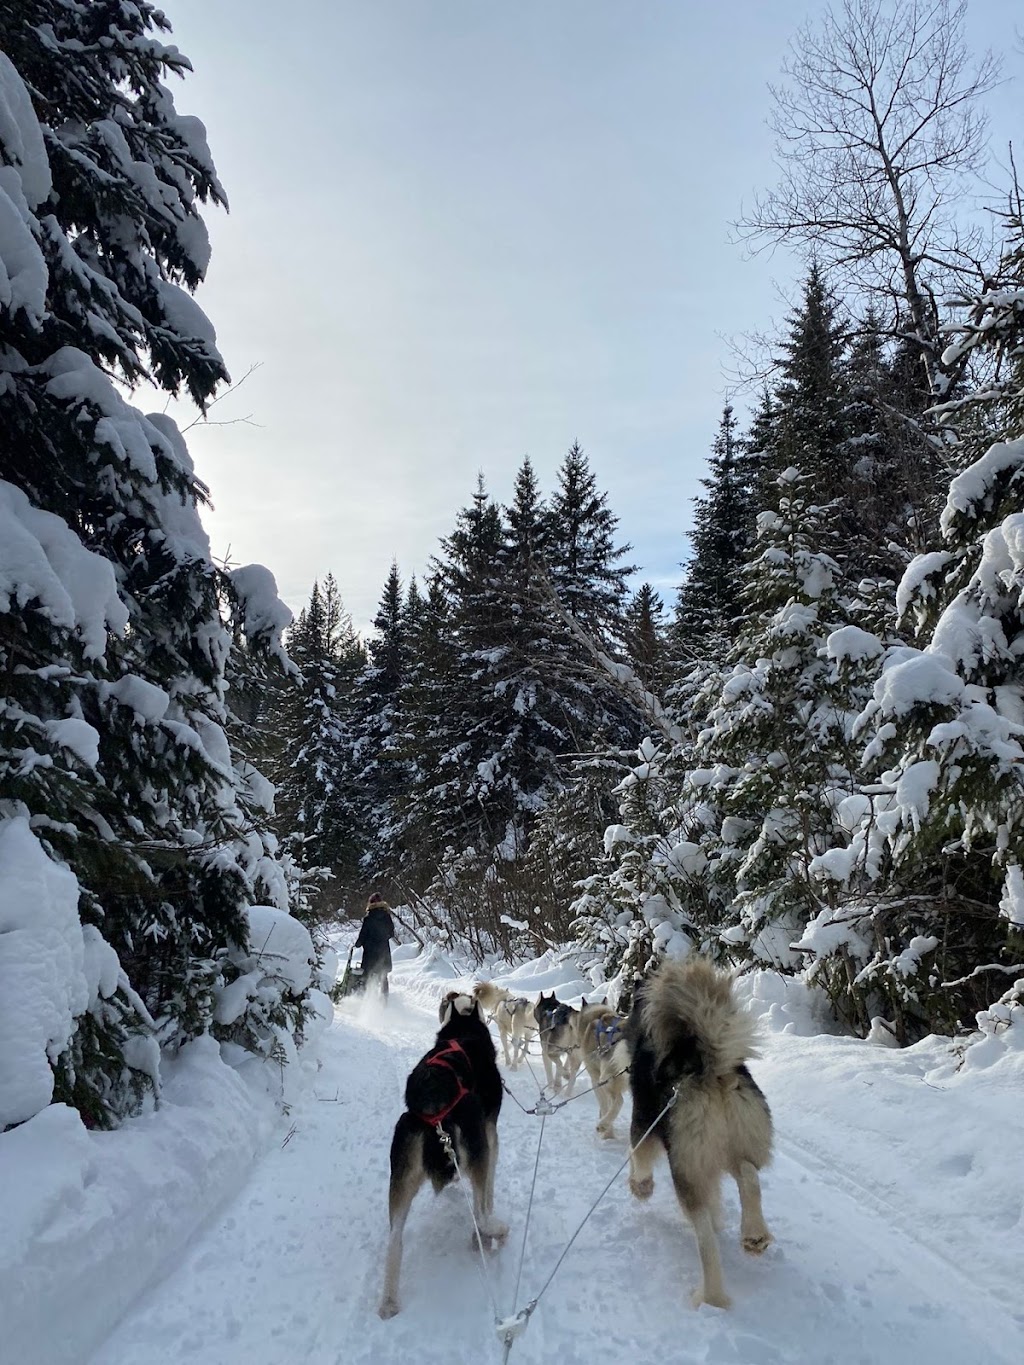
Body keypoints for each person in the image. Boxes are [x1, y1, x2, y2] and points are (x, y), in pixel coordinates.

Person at [354, 891, 397, 999]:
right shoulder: (387, 917)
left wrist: (358, 944)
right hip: (383, 951)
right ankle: (384, 999)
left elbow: (363, 934)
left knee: (366, 975)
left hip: (370, 953)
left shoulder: (368, 918)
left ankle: (363, 997)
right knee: (383, 976)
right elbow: (391, 933)